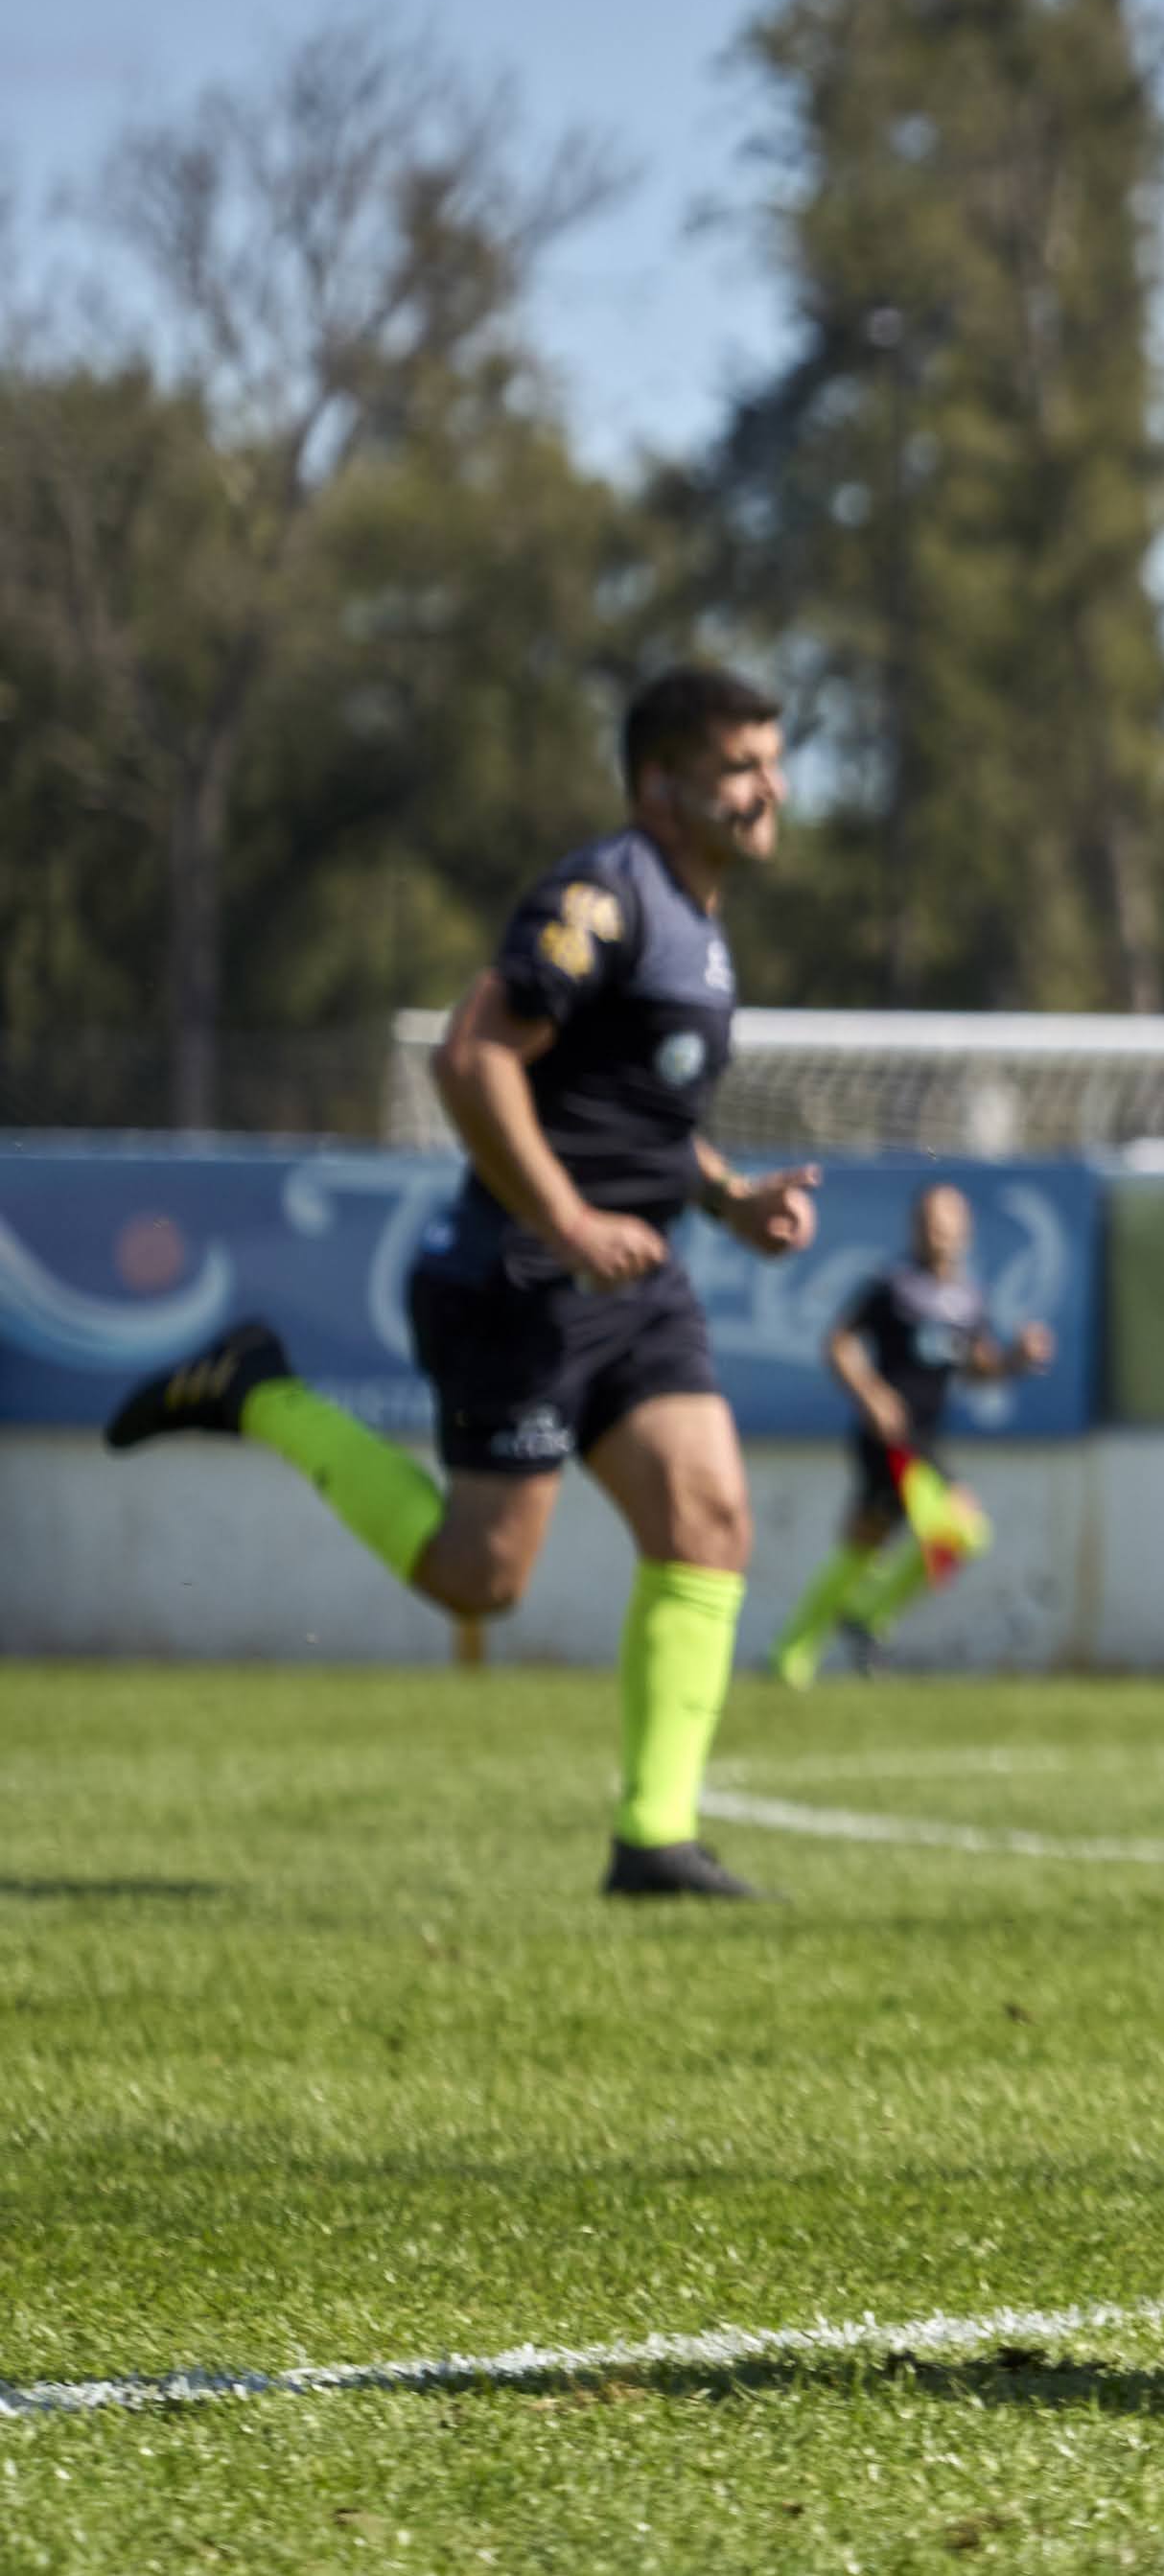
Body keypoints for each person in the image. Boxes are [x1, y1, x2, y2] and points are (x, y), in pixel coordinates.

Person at [102, 667, 818, 1900]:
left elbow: (632, 1116)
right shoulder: (602, 897)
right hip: (520, 1277)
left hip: (633, 1281)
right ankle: (257, 1389)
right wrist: (567, 1219)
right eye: (738, 767)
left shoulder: (695, 921)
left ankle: (654, 1842)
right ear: (659, 785)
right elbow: (472, 1056)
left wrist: (728, 1198)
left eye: (772, 761)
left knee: (708, 1520)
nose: (769, 790)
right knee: (479, 1581)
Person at [776, 1178, 1051, 1686]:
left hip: (922, 1438)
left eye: (946, 1221)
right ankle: (858, 1617)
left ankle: (797, 1650)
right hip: (888, 1437)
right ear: (913, 1227)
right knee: (963, 1528)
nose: (936, 1231)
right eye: (927, 1221)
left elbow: (979, 1367)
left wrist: (1016, 1358)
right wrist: (871, 1395)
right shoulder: (893, 1285)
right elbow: (838, 1343)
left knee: (865, 1544)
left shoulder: (967, 1299)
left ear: (965, 1230)